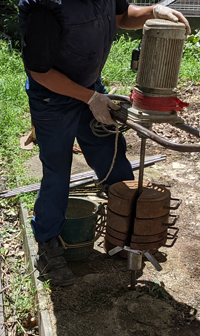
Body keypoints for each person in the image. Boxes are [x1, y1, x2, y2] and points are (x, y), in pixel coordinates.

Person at [18, 0, 190, 286]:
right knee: (57, 172)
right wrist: (89, 98)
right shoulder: (45, 7)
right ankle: (47, 245)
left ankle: (127, 234)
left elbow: (122, 16)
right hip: (52, 97)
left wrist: (153, 11)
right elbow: (40, 72)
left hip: (89, 86)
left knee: (111, 153)